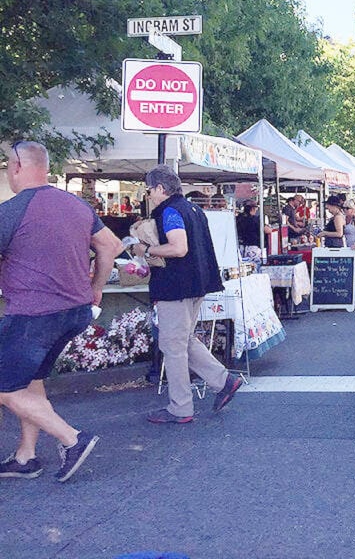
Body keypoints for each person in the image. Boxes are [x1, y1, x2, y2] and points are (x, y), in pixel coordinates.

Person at [0, 141, 122, 482]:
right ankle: (25, 457)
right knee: (30, 379)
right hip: (76, 311)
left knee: (5, 387)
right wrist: (96, 287)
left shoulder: (11, 210)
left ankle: (72, 438)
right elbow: (111, 246)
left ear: (17, 167)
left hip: (33, 314)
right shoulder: (77, 206)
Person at [134, 164, 243, 424]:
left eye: (149, 190)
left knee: (173, 346)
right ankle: (223, 380)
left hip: (176, 286)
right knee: (183, 340)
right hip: (197, 284)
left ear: (160, 188)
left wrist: (146, 250)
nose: (148, 195)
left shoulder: (169, 210)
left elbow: (178, 248)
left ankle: (180, 407)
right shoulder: (192, 208)